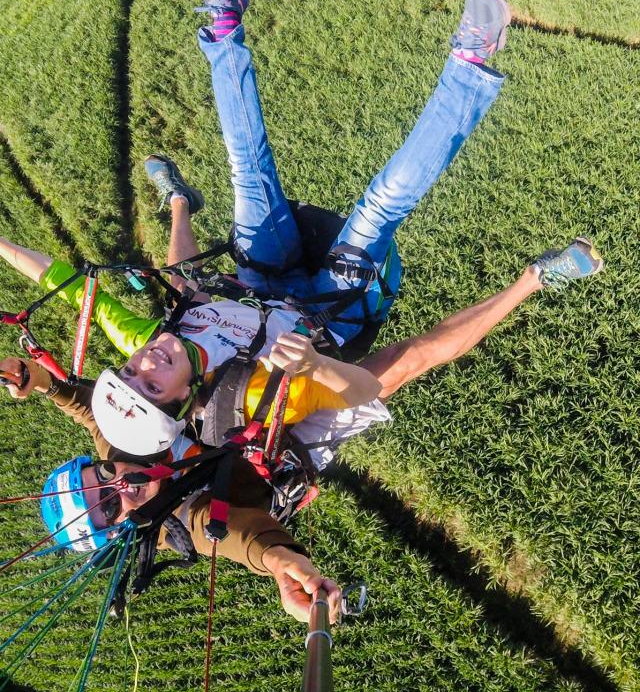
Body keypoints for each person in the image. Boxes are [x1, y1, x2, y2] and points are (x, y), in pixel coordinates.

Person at [0, 0, 527, 459]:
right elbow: (368, 389)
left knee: (247, 173)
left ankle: (223, 19)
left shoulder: (148, 338)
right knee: (382, 203)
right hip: (328, 309)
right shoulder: (252, 399)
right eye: (153, 386)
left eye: (131, 370)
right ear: (184, 402)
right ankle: (473, 59)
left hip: (259, 283)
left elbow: (61, 282)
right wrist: (315, 365)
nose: (145, 363)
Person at [2, 235, 601, 623]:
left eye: (99, 480)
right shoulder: (182, 527)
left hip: (222, 395)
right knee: (406, 361)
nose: (118, 488)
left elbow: (82, 406)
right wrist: (292, 568)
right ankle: (533, 280)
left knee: (189, 294)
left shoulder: (120, 447)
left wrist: (40, 381)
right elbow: (242, 539)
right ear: (123, 527)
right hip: (279, 442)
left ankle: (178, 204)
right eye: (110, 508)